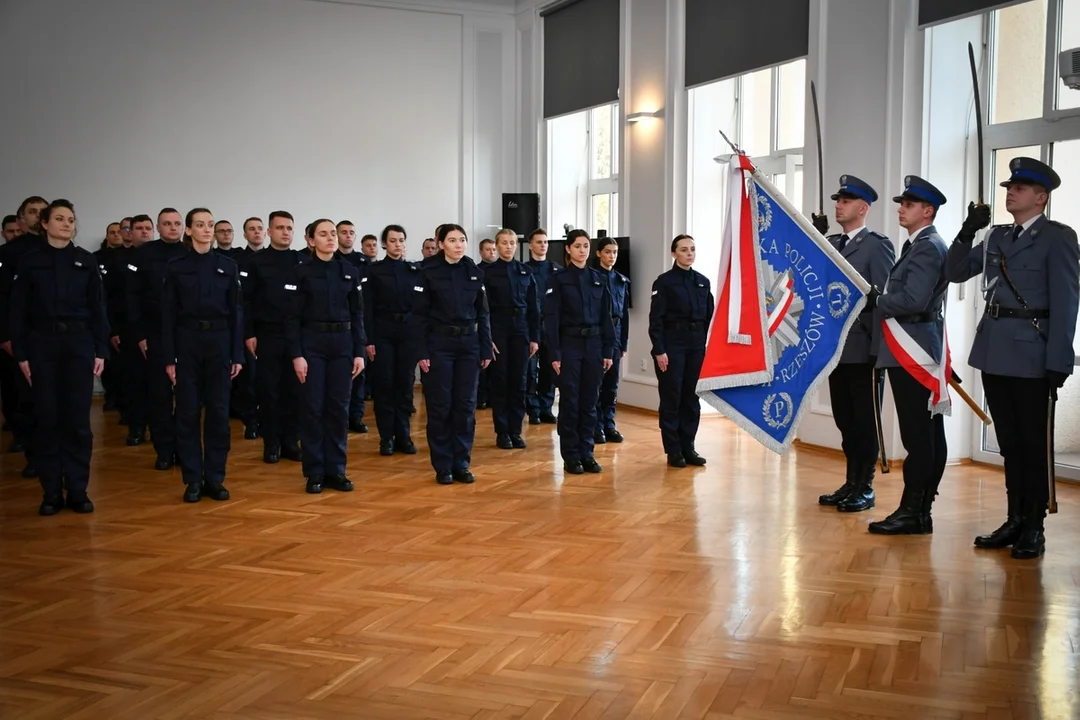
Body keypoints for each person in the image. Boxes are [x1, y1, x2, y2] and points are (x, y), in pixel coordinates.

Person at [946, 158, 1078, 558]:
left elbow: (1067, 301)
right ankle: (1014, 518)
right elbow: (953, 272)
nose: (1010, 192)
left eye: (1019, 188)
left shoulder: (1058, 238)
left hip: (1033, 353)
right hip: (995, 350)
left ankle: (1034, 525)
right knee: (1008, 443)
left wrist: (1059, 358)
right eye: (1008, 187)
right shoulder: (995, 236)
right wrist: (968, 230)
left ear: (1041, 198)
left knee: (1032, 443)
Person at [9, 199, 109, 515]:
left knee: (78, 420)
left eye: (71, 219)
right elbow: (18, 311)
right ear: (46, 224)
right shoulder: (30, 261)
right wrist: (22, 354)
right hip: (42, 345)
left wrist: (101, 349)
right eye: (60, 218)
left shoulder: (85, 261)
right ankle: (51, 491)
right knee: (48, 419)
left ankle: (78, 489)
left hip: (78, 343)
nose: (67, 223)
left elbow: (98, 308)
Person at [868, 176, 950, 536]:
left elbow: (915, 299)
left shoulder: (928, 246)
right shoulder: (918, 245)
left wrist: (877, 301)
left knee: (920, 436)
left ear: (927, 210)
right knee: (925, 434)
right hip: (913, 346)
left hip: (913, 349)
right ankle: (920, 509)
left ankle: (915, 510)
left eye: (908, 204)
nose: (901, 209)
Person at [812, 176, 895, 512]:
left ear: (862, 208)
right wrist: (813, 238)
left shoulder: (877, 245)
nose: (838, 206)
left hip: (864, 347)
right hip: (836, 347)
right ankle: (851, 482)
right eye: (837, 200)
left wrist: (879, 350)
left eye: (845, 201)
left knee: (865, 420)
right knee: (845, 419)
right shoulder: (831, 242)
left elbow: (884, 301)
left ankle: (866, 486)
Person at [162, 208, 243, 503]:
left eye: (210, 225)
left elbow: (236, 312)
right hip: (186, 341)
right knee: (187, 412)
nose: (207, 230)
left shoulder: (227, 266)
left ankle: (216, 477)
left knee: (219, 413)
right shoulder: (176, 266)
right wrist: (169, 358)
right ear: (188, 230)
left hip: (220, 342)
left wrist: (237, 354)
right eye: (200, 225)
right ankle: (193, 478)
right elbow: (168, 315)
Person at [288, 219, 366, 493]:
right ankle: (315, 471)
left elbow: (358, 314)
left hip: (343, 344)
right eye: (323, 234)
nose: (331, 238)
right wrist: (297, 354)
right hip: (313, 344)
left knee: (338, 408)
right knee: (313, 408)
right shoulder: (301, 273)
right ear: (311, 240)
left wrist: (359, 351)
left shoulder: (349, 271)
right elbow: (292, 317)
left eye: (333, 233)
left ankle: (336, 470)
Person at [413, 224, 492, 484]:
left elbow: (483, 314)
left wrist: (485, 346)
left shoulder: (474, 272)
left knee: (465, 406)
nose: (458, 245)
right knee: (441, 406)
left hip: (468, 344)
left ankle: (462, 462)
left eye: (462, 240)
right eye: (452, 240)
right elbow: (418, 315)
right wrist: (422, 350)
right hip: (439, 344)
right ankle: (443, 464)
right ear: (441, 243)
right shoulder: (427, 272)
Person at [545, 230, 614, 474]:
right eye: (577, 246)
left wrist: (608, 350)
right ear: (568, 249)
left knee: (590, 402)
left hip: (594, 346)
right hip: (569, 344)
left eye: (586, 246)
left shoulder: (597, 278)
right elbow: (551, 319)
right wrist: (554, 353)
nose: (582, 250)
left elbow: (606, 317)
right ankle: (571, 455)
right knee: (571, 401)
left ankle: (587, 453)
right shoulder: (558, 279)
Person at [126, 207, 189, 470]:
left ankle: (185, 450)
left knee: (187, 397)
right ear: (158, 228)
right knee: (159, 396)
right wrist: (139, 334)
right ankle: (164, 450)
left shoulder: (190, 252)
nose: (173, 228)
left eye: (177, 223)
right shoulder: (143, 255)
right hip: (154, 333)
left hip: (186, 334)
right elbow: (132, 297)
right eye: (167, 224)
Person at [243, 211, 305, 464]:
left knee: (295, 391)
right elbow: (245, 301)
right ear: (269, 232)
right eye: (280, 228)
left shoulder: (303, 261)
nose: (285, 232)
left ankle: (291, 441)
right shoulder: (256, 262)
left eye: (289, 228)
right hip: (268, 334)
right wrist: (249, 333)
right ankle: (271, 443)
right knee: (269, 391)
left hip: (298, 337)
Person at [649, 234, 713, 468]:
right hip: (672, 346)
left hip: (696, 345)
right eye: (684, 250)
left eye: (692, 249)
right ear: (674, 253)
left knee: (691, 398)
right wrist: (659, 350)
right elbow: (655, 319)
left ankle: (689, 447)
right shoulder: (664, 282)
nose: (689, 254)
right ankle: (673, 450)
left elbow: (710, 317)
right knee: (672, 398)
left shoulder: (703, 282)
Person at [0, 195, 49, 473]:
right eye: (32, 212)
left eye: (42, 212)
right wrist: (6, 335)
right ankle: (33, 455)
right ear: (22, 218)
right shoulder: (10, 253)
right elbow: (4, 298)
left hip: (56, 340)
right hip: (23, 338)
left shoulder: (61, 249)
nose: (37, 216)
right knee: (26, 400)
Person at [363, 224, 419, 455]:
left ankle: (403, 436)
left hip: (407, 333)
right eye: (393, 240)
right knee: (385, 385)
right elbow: (366, 308)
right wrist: (369, 340)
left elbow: (420, 308)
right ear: (385, 243)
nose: (398, 244)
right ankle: (386, 437)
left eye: (401, 240)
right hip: (383, 332)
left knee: (405, 386)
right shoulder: (374, 271)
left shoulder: (414, 270)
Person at [484, 228, 540, 449]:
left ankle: (516, 430)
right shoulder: (487, 273)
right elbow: (484, 309)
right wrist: (488, 337)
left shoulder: (525, 272)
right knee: (501, 380)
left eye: (512, 243)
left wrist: (534, 337)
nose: (508, 246)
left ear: (517, 246)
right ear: (497, 246)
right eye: (504, 243)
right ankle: (502, 431)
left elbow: (534, 308)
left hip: (521, 330)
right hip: (498, 329)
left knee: (520, 381)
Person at [116, 215, 155, 443]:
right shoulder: (121, 259)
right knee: (135, 382)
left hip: (159, 331)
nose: (143, 232)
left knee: (158, 386)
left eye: (147, 228)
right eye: (138, 228)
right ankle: (137, 427)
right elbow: (119, 299)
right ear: (129, 232)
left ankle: (158, 427)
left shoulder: (163, 255)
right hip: (131, 330)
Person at [593, 237, 630, 444]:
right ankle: (596, 425)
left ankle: (609, 424)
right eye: (608, 252)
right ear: (599, 253)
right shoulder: (593, 278)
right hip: (598, 335)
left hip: (615, 335)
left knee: (611, 386)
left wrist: (623, 342)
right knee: (597, 384)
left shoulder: (620, 281)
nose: (612, 256)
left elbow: (624, 314)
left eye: (615, 252)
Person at [335, 220, 369, 433]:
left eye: (351, 233)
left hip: (360, 321)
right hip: (339, 324)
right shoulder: (332, 261)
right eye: (343, 232)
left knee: (359, 374)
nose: (348, 236)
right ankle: (340, 418)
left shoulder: (363, 262)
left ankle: (356, 416)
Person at [525, 228, 561, 425]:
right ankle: (533, 409)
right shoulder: (524, 269)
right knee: (530, 370)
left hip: (551, 325)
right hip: (531, 324)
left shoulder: (557, 270)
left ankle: (546, 407)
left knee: (550, 368)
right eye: (538, 242)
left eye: (545, 242)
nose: (542, 245)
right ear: (530, 245)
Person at [94, 222, 126, 413]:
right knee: (109, 362)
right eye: (111, 233)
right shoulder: (96, 259)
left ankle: (123, 399)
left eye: (118, 232)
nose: (116, 235)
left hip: (125, 319)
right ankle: (111, 396)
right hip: (106, 316)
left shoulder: (127, 260)